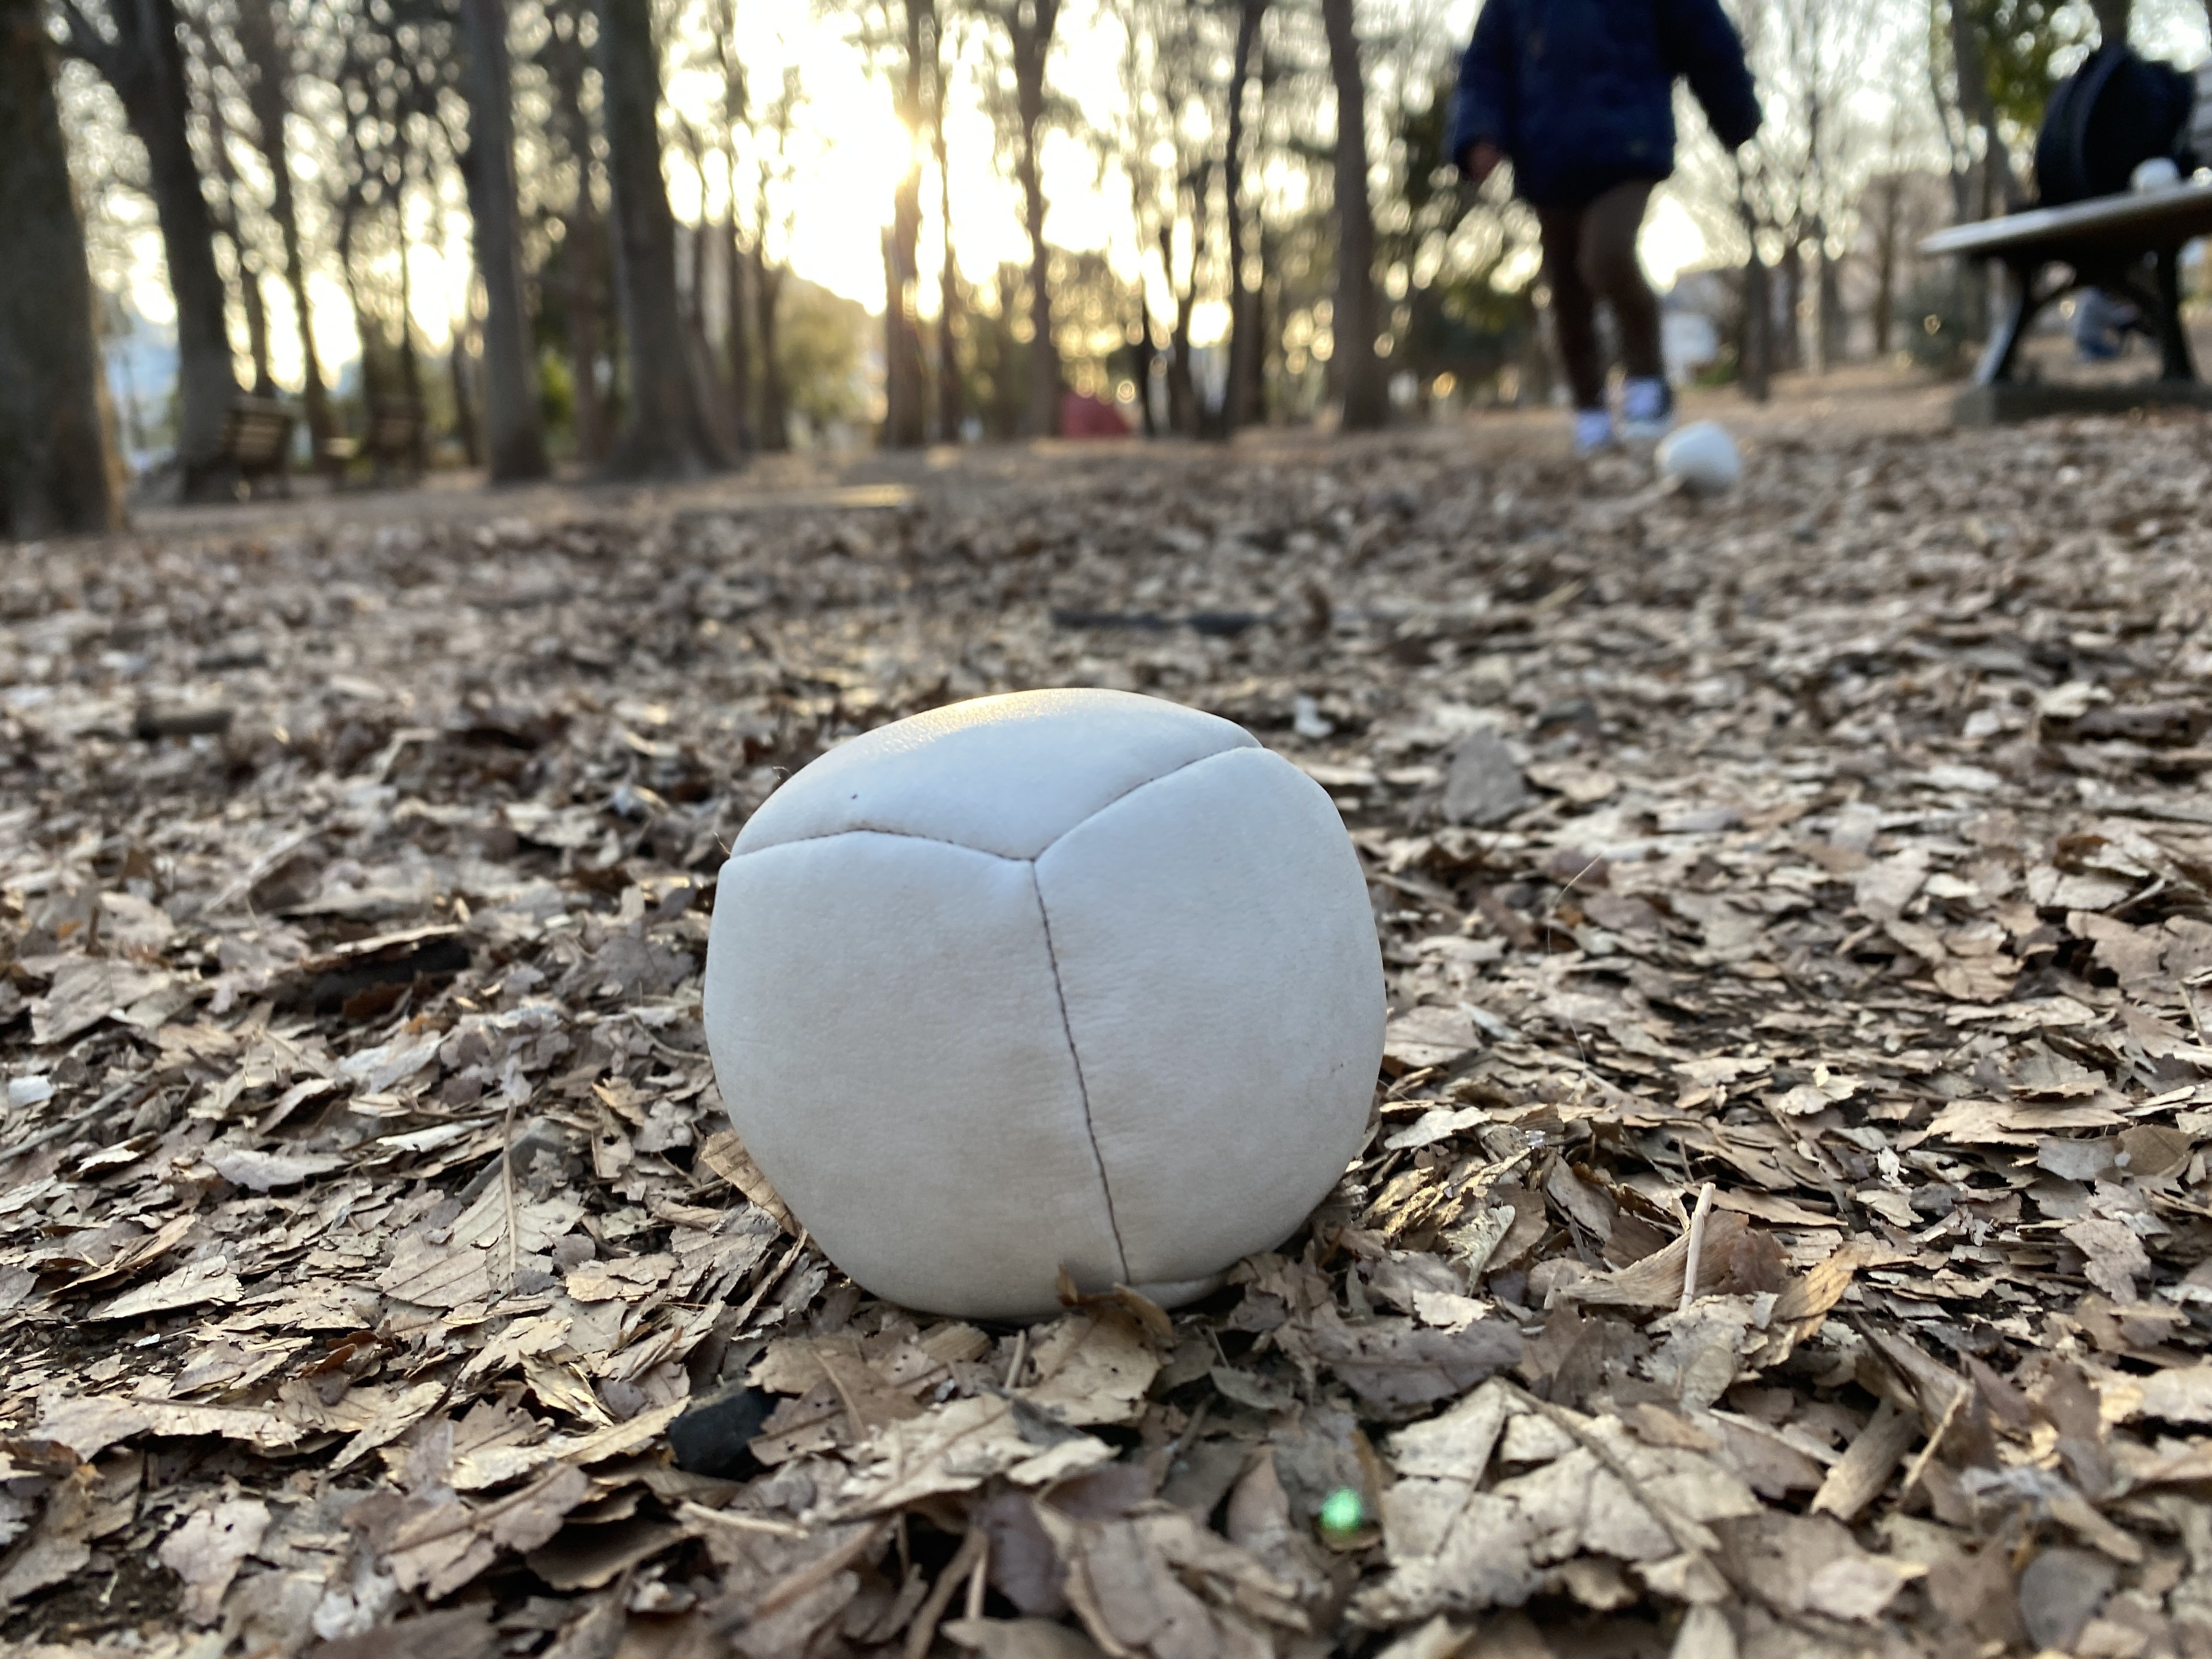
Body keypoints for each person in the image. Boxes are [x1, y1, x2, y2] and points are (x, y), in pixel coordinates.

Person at [1450, 0, 1761, 453]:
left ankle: (1647, 383)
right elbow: (1485, 66)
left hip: (1629, 143)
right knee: (1566, 294)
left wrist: (1735, 112)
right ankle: (1590, 411)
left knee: (1607, 256)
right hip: (1546, 157)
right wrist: (1478, 132)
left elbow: (1702, 32)